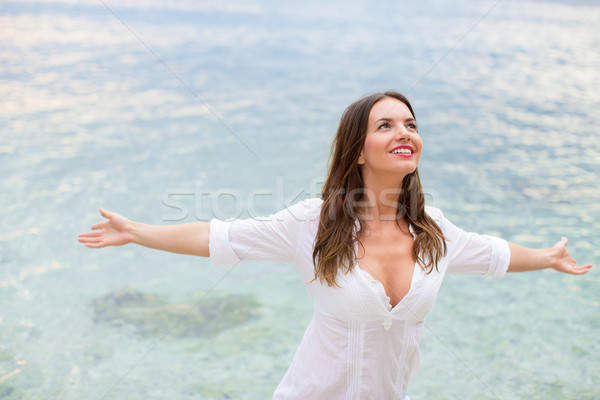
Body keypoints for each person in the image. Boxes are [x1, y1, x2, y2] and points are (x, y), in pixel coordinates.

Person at [78, 91, 592, 399]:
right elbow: (219, 236)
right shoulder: (315, 223)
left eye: (411, 123)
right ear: (359, 150)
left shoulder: (433, 231)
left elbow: (494, 255)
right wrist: (138, 231)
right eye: (385, 124)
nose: (404, 131)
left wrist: (547, 258)